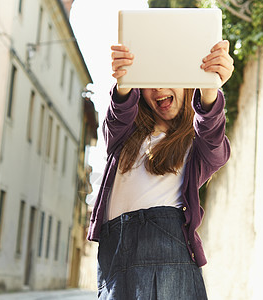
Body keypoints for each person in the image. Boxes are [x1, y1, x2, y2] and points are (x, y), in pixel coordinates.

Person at [87, 40, 234, 299]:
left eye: (170, 77)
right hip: (115, 265)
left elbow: (213, 136)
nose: (159, 88)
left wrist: (210, 89)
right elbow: (117, 116)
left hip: (169, 265)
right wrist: (124, 82)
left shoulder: (197, 145)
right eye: (149, 80)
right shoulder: (123, 137)